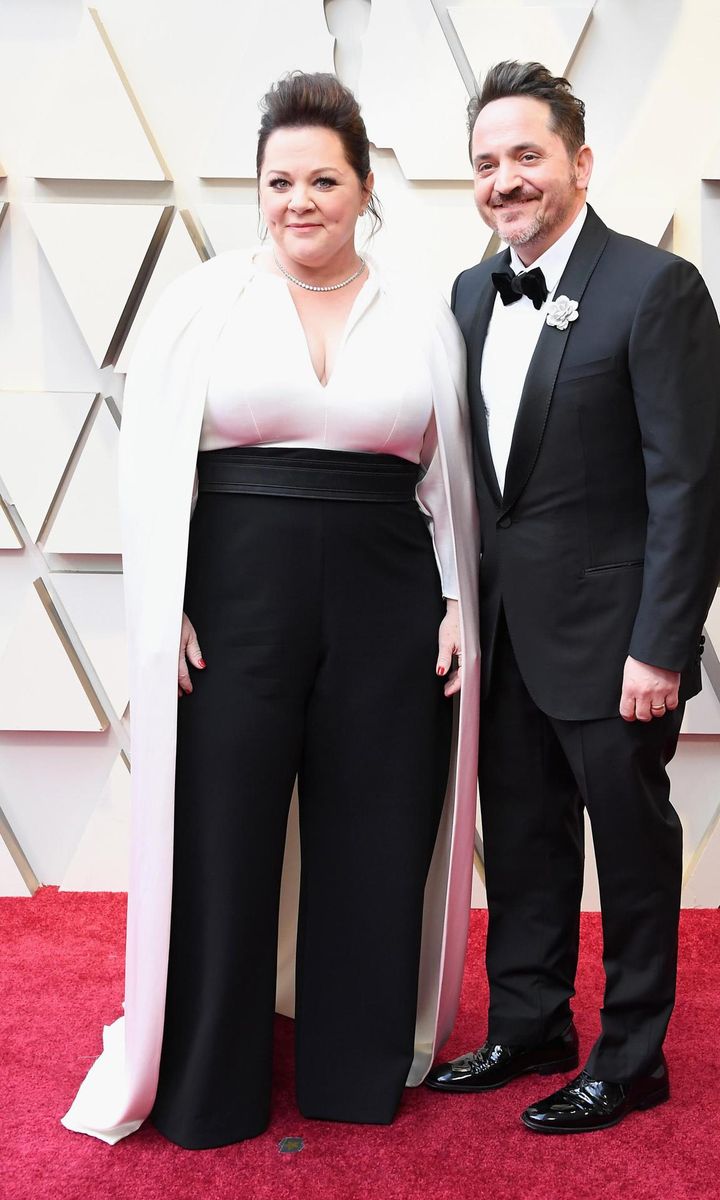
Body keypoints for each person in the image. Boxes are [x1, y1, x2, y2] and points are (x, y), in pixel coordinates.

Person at [62, 72, 480, 1149]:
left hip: (392, 602)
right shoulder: (207, 300)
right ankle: (208, 1083)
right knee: (223, 834)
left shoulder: (421, 311)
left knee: (377, 833)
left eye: (323, 179)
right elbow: (155, 469)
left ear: (365, 186)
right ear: (257, 190)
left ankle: (355, 1069)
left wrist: (452, 602)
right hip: (236, 599)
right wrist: (174, 601)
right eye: (278, 180)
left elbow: (448, 486)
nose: (300, 199)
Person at [426, 60, 720, 1133]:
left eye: (527, 156)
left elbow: (688, 483)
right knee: (524, 836)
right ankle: (530, 1022)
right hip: (504, 634)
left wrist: (664, 644)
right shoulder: (467, 292)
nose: (506, 179)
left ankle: (635, 1055)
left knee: (633, 850)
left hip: (617, 639)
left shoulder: (657, 288)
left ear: (579, 163)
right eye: (487, 162)